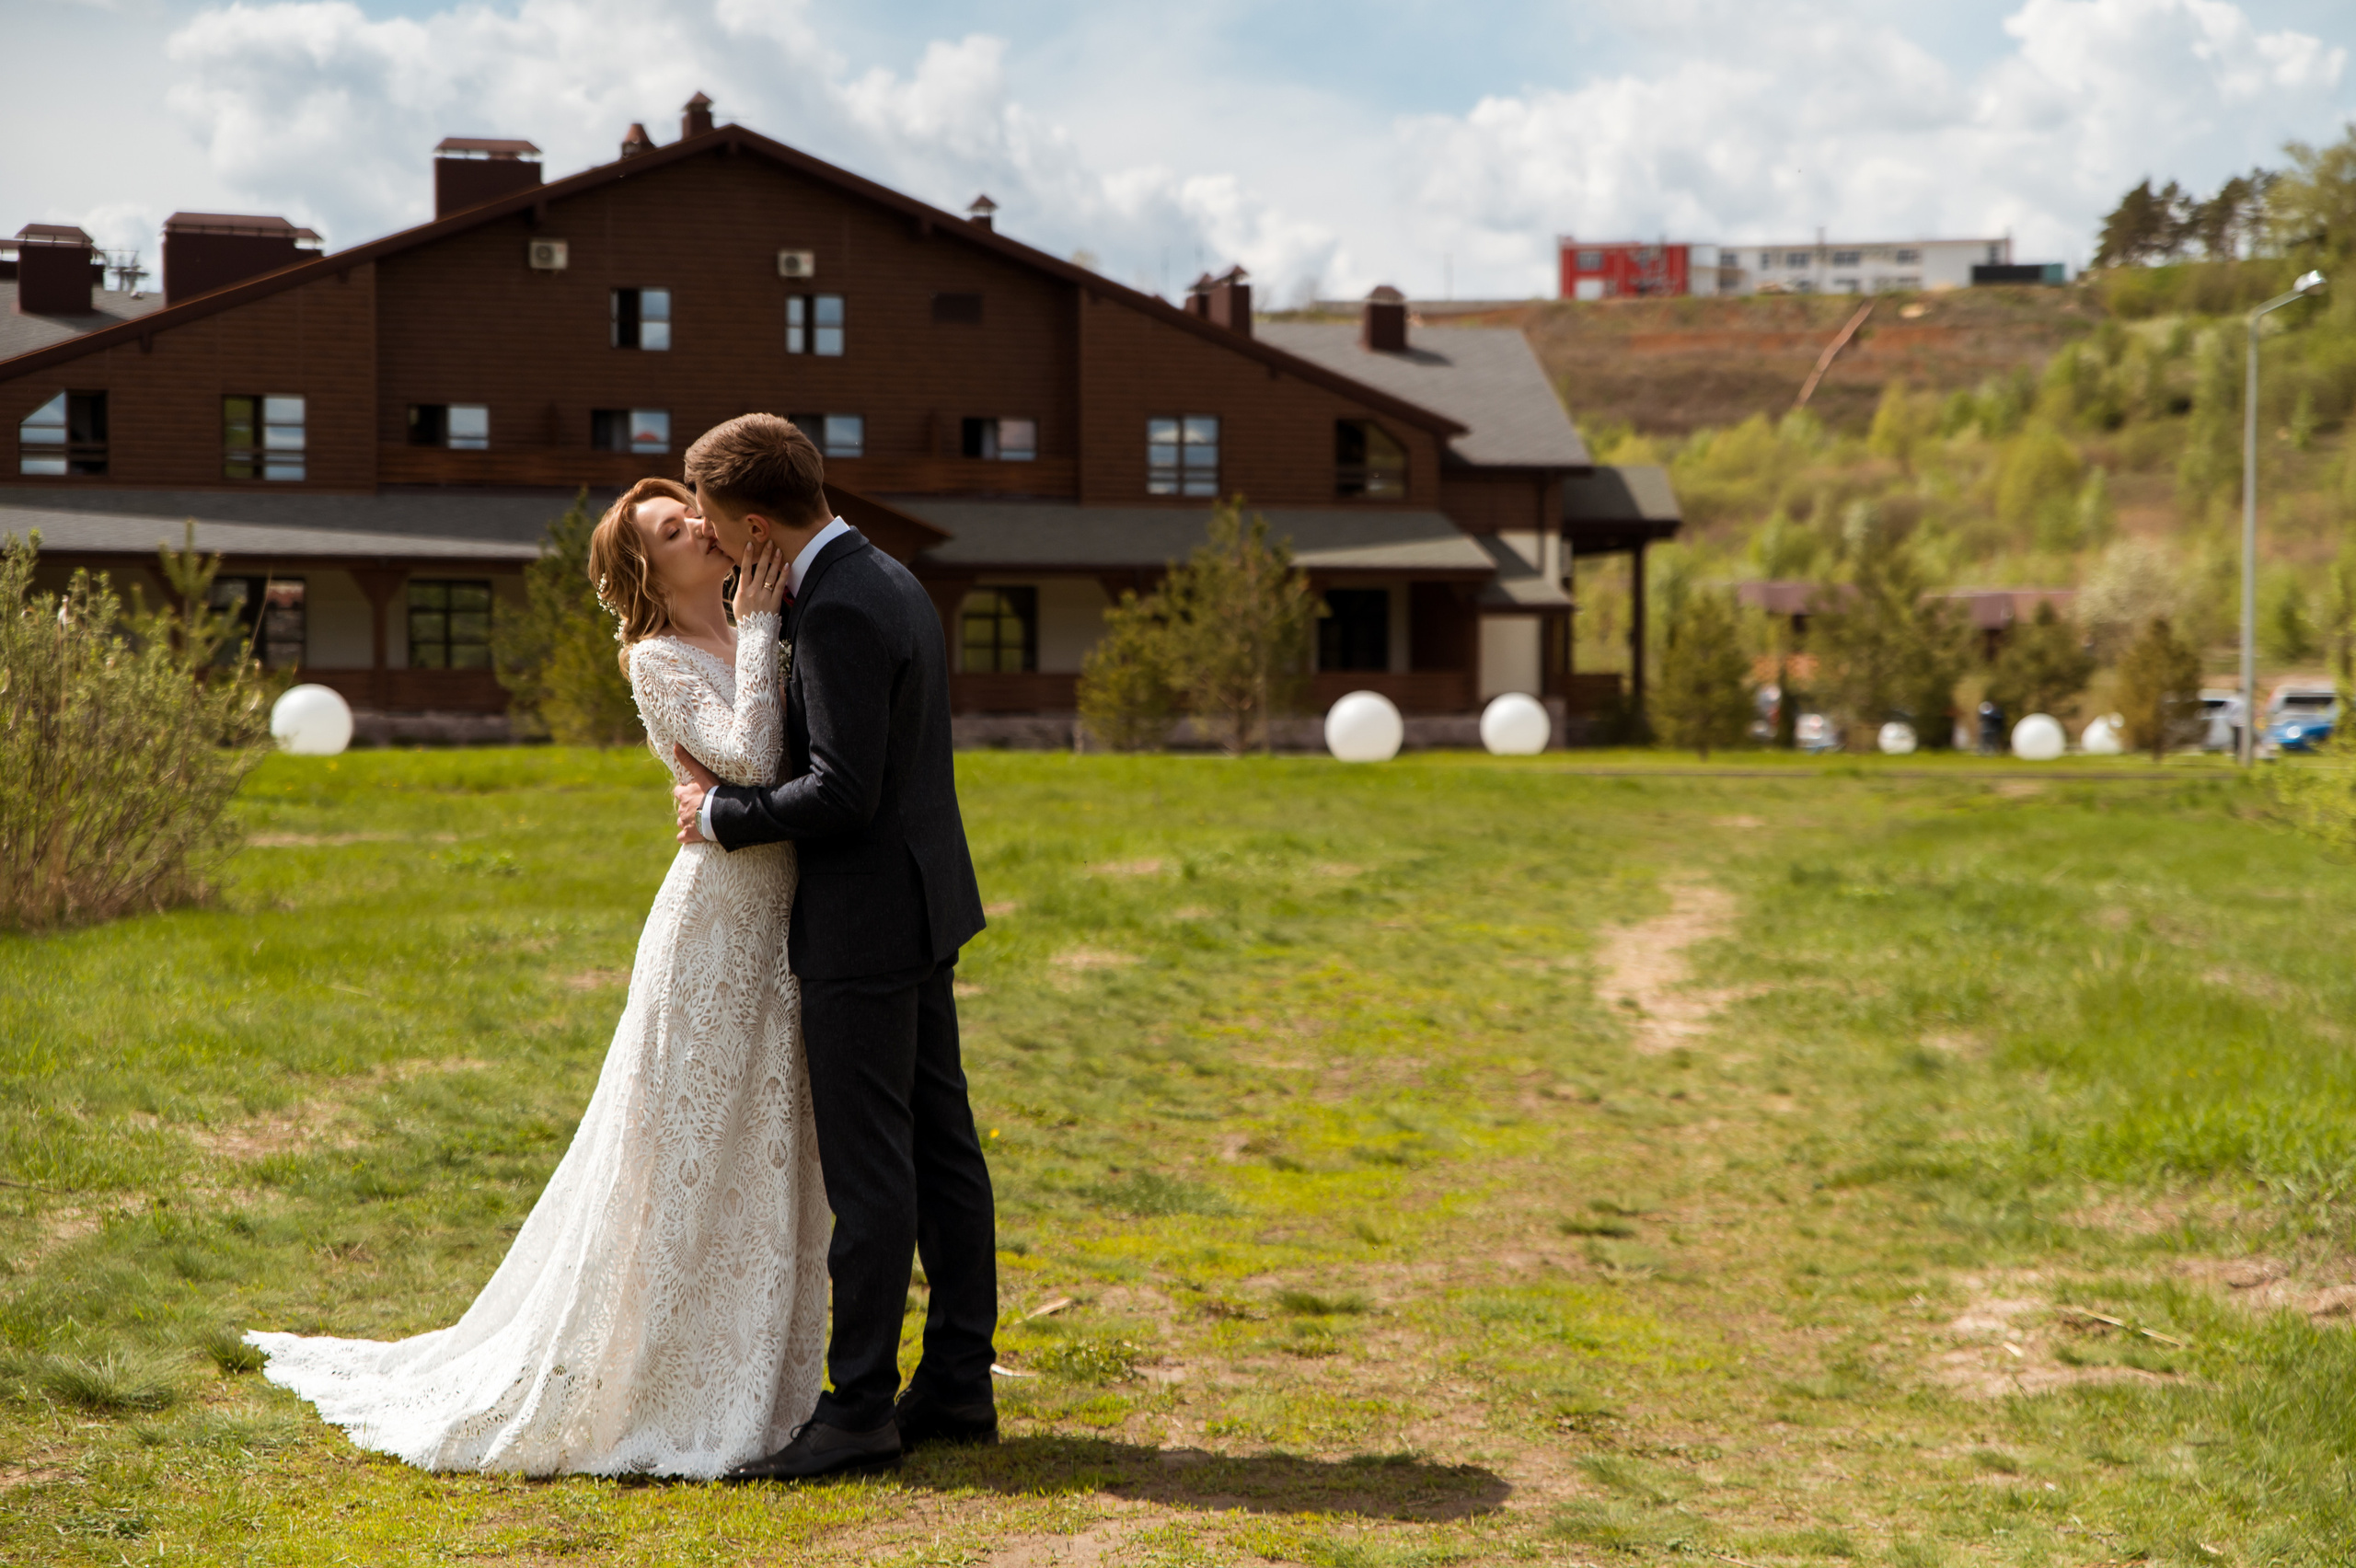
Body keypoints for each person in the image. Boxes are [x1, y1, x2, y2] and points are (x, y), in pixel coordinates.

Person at [244, 478, 830, 1477]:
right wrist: (766, 625)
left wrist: (763, 631)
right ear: (648, 571)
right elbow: (750, 756)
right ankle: (665, 1384)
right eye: (672, 527)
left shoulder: (752, 635)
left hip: (783, 922)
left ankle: (760, 1374)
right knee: (685, 1148)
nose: (699, 525)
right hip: (714, 927)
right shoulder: (659, 658)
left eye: (692, 512)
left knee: (764, 1142)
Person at [670, 413, 997, 1482]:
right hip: (921, 901)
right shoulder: (885, 574)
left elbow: (842, 792)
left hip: (865, 922)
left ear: (757, 525)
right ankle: (956, 1380)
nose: (709, 537)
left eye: (714, 521)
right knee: (941, 1150)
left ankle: (858, 1409)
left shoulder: (843, 606)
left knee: (874, 1172)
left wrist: (721, 816)